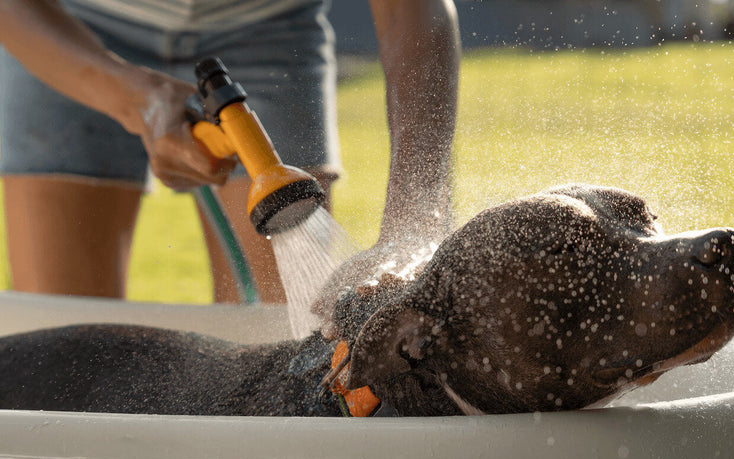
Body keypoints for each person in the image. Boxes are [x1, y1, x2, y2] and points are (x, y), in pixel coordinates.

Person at [0, 0, 460, 306]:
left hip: (266, 24)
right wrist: (136, 99)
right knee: (64, 345)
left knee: (294, 343)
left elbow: (411, 9)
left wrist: (415, 226)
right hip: (69, 22)